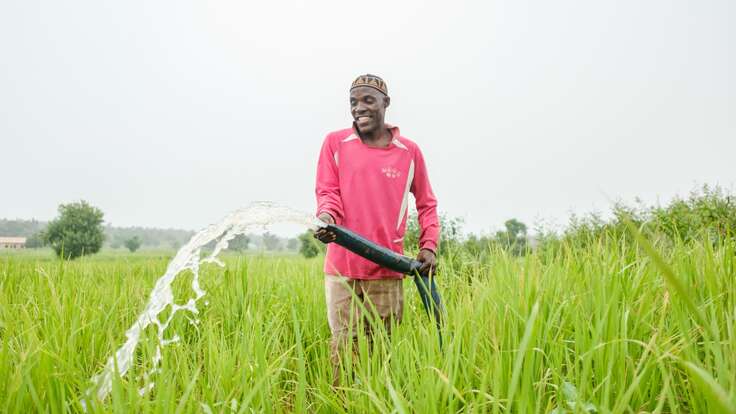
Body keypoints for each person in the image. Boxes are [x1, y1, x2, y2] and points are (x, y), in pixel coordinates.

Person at [314, 74, 440, 385]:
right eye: (353, 103)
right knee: (342, 351)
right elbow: (327, 191)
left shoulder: (408, 152)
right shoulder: (335, 143)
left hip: (387, 269)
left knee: (382, 353)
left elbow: (427, 203)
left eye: (368, 100)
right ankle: (342, 403)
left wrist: (429, 246)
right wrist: (327, 215)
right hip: (341, 269)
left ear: (386, 103)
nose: (359, 108)